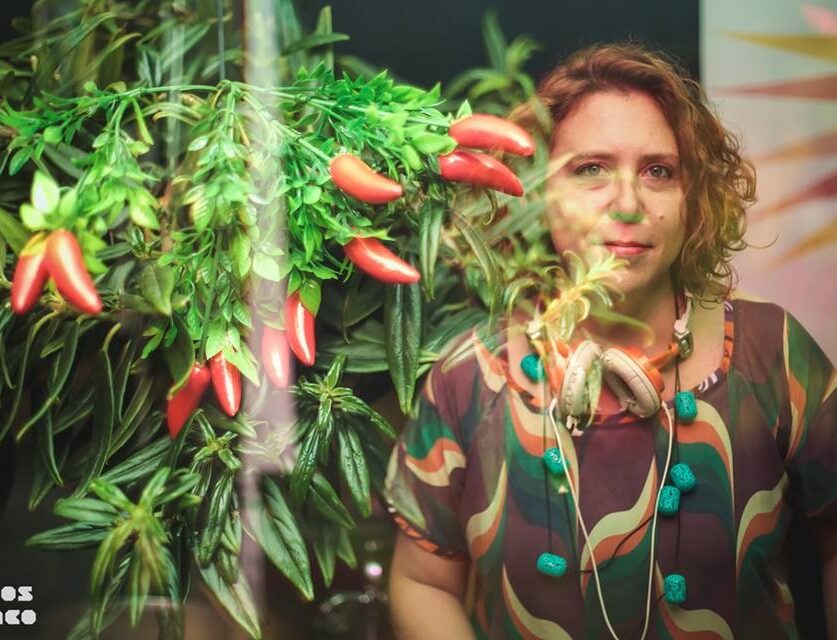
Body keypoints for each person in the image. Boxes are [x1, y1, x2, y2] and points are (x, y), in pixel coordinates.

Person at [383, 43, 836, 639]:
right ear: (534, 194)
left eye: (658, 171)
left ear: (693, 197)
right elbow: (423, 582)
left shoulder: (773, 352)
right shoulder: (470, 376)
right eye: (590, 168)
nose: (627, 203)